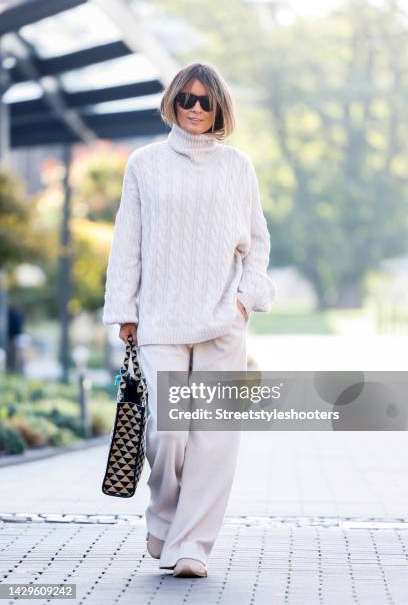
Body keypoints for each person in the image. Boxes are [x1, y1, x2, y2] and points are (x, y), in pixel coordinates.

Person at [102, 61, 277, 578]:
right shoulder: (144, 163)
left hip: (225, 319)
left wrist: (246, 299)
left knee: (214, 437)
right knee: (168, 431)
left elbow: (258, 240)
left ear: (219, 106)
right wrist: (124, 311)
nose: (195, 109)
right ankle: (165, 518)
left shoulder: (237, 166)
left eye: (205, 101)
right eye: (187, 99)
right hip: (160, 318)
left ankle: (192, 545)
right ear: (173, 102)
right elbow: (127, 242)